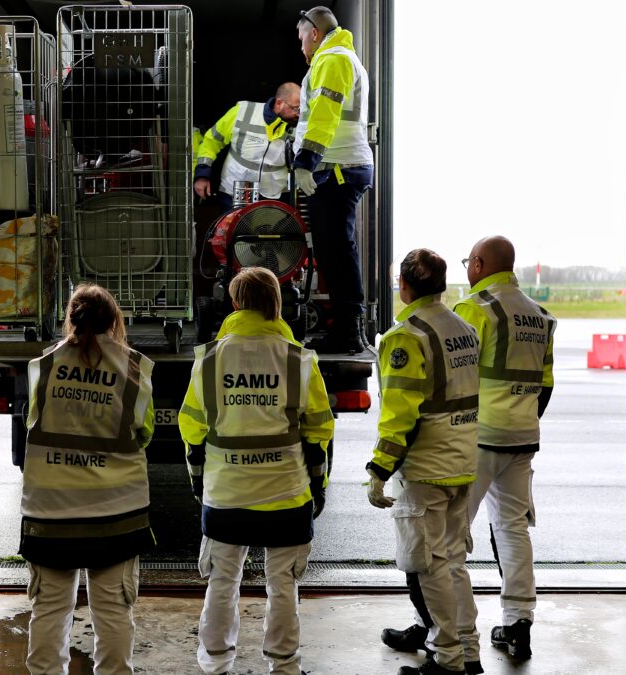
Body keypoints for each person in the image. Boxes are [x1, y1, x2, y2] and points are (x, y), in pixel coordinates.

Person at [179, 267, 334, 675]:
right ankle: (284, 666)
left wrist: (199, 482)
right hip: (287, 494)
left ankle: (214, 665)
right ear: (276, 305)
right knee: (283, 585)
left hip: (226, 494)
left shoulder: (210, 359)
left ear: (235, 305)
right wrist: (318, 487)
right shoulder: (298, 359)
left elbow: (192, 428)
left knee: (222, 581)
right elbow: (319, 432)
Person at [19, 283, 156, 675]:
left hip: (50, 514)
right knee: (112, 610)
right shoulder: (134, 368)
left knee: (49, 609)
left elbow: (35, 422)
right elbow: (142, 431)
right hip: (117, 514)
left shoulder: (42, 366)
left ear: (72, 318)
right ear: (114, 320)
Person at [366, 249, 482, 675]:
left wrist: (379, 470)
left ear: (404, 285)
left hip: (427, 469)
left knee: (429, 566)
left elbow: (400, 415)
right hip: (462, 459)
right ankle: (468, 652)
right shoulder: (463, 329)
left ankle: (446, 658)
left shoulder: (406, 337)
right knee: (453, 561)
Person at [453, 236, 555, 660]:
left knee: (451, 535)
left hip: (478, 436)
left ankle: (454, 633)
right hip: (522, 436)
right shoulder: (541, 315)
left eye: (468, 261)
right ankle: (518, 625)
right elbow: (545, 386)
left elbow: (454, 375)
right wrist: (521, 419)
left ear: (479, 264)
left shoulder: (475, 309)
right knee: (512, 530)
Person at [294, 6, 375, 353]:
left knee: (338, 252)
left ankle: (349, 332)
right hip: (338, 167)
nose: (301, 48)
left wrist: (305, 161)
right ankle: (345, 329)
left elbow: (325, 114)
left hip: (336, 169)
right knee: (334, 250)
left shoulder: (333, 59)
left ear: (314, 33)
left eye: (301, 39)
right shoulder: (340, 58)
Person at [194, 82, 302, 211]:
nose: (299, 114)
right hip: (234, 194)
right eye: (296, 109)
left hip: (274, 196)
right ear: (279, 104)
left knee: (270, 231)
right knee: (236, 231)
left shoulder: (299, 126)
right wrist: (202, 175)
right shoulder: (243, 112)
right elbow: (211, 142)